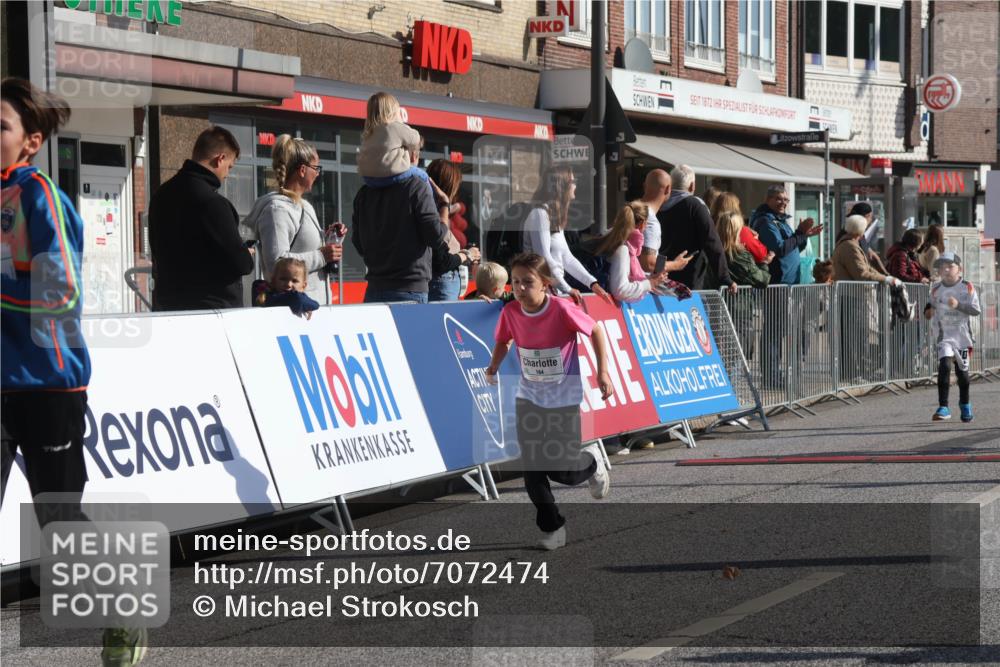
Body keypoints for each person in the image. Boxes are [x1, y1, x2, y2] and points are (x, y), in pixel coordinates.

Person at [0, 77, 146, 666]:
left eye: (0, 126)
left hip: (47, 383)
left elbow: (59, 295)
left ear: (31, 141)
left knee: (58, 520)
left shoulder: (40, 197)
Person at [485, 253, 612, 550]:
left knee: (562, 471)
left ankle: (591, 463)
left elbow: (595, 330)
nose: (519, 288)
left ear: (545, 284)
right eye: (515, 282)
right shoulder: (511, 313)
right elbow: (504, 340)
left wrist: (602, 371)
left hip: (563, 398)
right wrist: (493, 367)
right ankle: (552, 528)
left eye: (527, 282)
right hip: (528, 398)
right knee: (532, 470)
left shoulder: (561, 309)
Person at [352, 99, 452, 304]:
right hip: (410, 289)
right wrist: (444, 208)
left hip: (374, 287)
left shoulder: (364, 192)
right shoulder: (416, 185)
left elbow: (359, 244)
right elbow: (435, 237)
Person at [148, 126, 254, 311]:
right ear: (220, 159)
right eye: (229, 167)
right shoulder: (213, 202)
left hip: (167, 306)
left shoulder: (161, 195)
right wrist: (246, 253)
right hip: (211, 310)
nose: (227, 174)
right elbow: (241, 264)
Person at [244, 134, 342, 307]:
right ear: (302, 170)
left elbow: (306, 249)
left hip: (312, 306)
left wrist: (329, 240)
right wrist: (321, 256)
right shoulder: (277, 210)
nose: (318, 173)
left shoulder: (304, 205)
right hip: (293, 310)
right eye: (316, 167)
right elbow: (277, 262)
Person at [749, 184, 823, 388]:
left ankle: (775, 374)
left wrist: (803, 236)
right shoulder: (765, 221)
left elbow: (793, 247)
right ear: (768, 199)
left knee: (779, 331)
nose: (783, 203)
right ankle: (771, 377)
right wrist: (800, 233)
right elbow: (780, 248)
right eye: (779, 199)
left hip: (788, 284)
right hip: (776, 284)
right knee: (773, 331)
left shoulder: (780, 221)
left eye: (786, 200)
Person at [522, 165, 612, 305]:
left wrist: (592, 283)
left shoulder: (553, 216)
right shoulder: (540, 214)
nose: (575, 185)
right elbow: (543, 259)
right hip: (541, 293)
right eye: (573, 181)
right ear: (561, 185)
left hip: (552, 290)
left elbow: (567, 257)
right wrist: (567, 288)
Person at [832, 215, 901, 383]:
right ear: (861, 230)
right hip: (853, 296)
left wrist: (884, 276)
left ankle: (857, 372)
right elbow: (862, 273)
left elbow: (866, 268)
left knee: (857, 336)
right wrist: (885, 279)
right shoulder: (850, 246)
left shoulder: (850, 244)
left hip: (852, 295)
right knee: (855, 337)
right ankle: (854, 373)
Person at [658, 165, 736, 292]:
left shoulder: (659, 204)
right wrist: (725, 278)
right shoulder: (695, 205)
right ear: (692, 186)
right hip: (689, 278)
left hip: (660, 276)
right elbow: (712, 242)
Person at [593, 202, 689, 303]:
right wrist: (650, 283)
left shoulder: (610, 239)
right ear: (643, 224)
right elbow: (620, 290)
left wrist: (651, 280)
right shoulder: (623, 249)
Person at [924, 253, 980, 422]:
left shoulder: (967, 287)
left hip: (962, 337)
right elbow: (928, 309)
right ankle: (943, 407)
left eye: (950, 266)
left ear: (959, 269)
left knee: (962, 375)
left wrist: (959, 305)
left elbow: (976, 310)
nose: (946, 270)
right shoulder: (936, 288)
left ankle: (965, 404)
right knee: (945, 366)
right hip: (944, 336)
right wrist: (929, 312)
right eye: (942, 267)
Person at [716, 211, 770, 362]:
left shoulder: (712, 252)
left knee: (724, 352)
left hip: (715, 307)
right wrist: (764, 263)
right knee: (738, 353)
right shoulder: (739, 254)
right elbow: (762, 280)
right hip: (739, 309)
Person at [425, 159, 479, 301]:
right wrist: (467, 255)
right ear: (450, 185)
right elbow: (440, 260)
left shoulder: (426, 207)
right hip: (441, 283)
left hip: (442, 282)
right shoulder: (434, 211)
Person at [357, 91, 425, 187]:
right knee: (423, 176)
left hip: (369, 178)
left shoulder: (368, 133)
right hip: (390, 175)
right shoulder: (394, 127)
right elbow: (415, 138)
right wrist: (401, 122)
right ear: (393, 112)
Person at [711, 191, 772, 264]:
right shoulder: (740, 230)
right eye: (738, 205)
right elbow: (762, 255)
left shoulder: (709, 226)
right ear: (735, 208)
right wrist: (756, 240)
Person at [252, 257, 320, 318]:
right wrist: (304, 305)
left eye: (294, 281)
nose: (288, 284)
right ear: (273, 281)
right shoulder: (267, 295)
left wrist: (306, 306)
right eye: (283, 279)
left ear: (303, 286)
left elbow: (316, 305)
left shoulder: (299, 296)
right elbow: (297, 299)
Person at [634, 169, 671, 272]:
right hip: (640, 285)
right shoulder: (650, 221)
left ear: (644, 186)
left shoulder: (630, 209)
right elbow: (648, 264)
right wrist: (676, 264)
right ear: (668, 189)